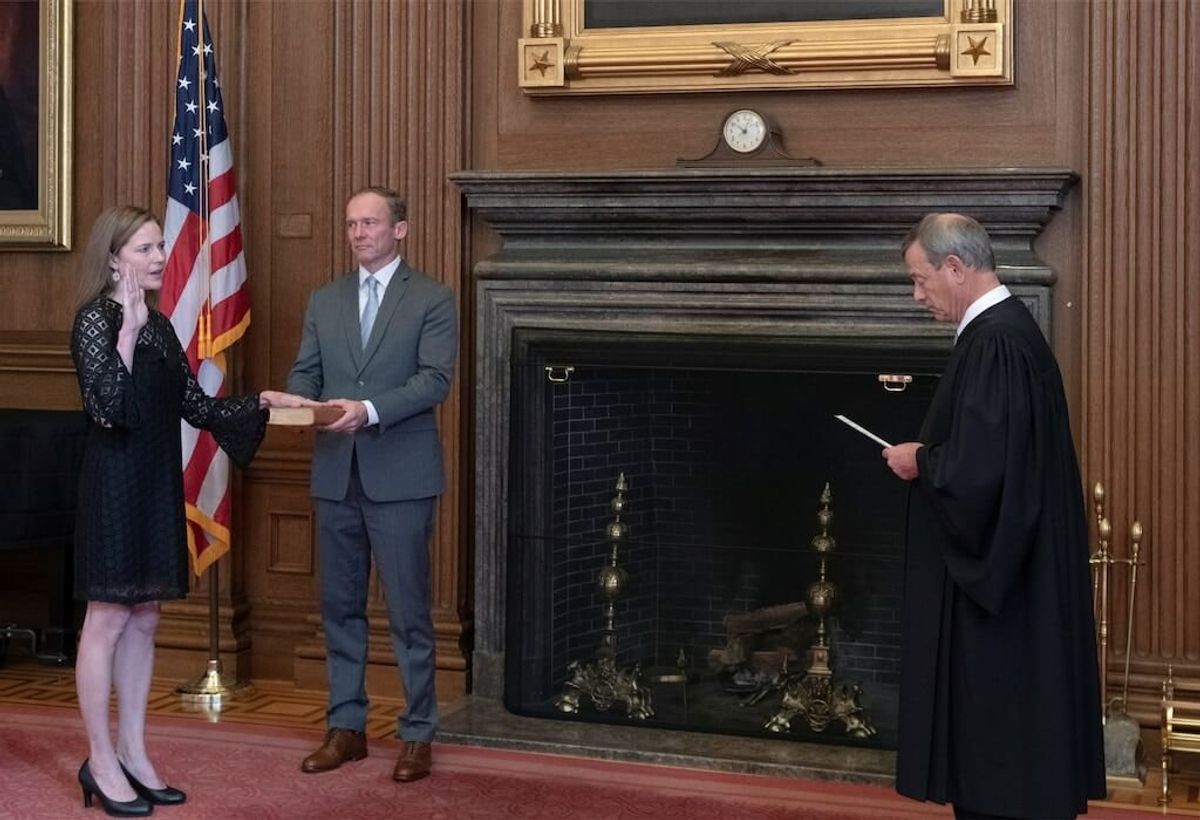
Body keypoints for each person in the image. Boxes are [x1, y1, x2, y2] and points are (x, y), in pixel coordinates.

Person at [70, 206, 308, 816]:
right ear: (115, 256)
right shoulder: (96, 322)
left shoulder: (161, 325)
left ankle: (134, 751)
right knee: (107, 616)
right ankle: (99, 760)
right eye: (146, 249)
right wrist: (124, 329)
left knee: (145, 616)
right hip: (113, 484)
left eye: (158, 247)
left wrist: (260, 402)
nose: (157, 258)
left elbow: (195, 406)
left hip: (153, 480)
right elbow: (108, 409)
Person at [883, 213, 1106, 820]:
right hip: (1022, 575)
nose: (917, 294)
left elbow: (981, 473)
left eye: (920, 279)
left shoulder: (997, 341)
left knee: (1002, 752)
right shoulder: (1005, 334)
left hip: (1007, 595)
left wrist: (922, 461)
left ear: (955, 267)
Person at [286, 186, 457, 783]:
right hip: (336, 474)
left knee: (410, 612)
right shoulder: (324, 299)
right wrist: (294, 399)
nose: (359, 233)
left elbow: (435, 381)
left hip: (402, 477)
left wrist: (369, 408)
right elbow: (306, 372)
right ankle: (346, 728)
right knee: (339, 608)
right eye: (352, 224)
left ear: (400, 230)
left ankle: (416, 734)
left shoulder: (432, 298)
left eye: (370, 223)